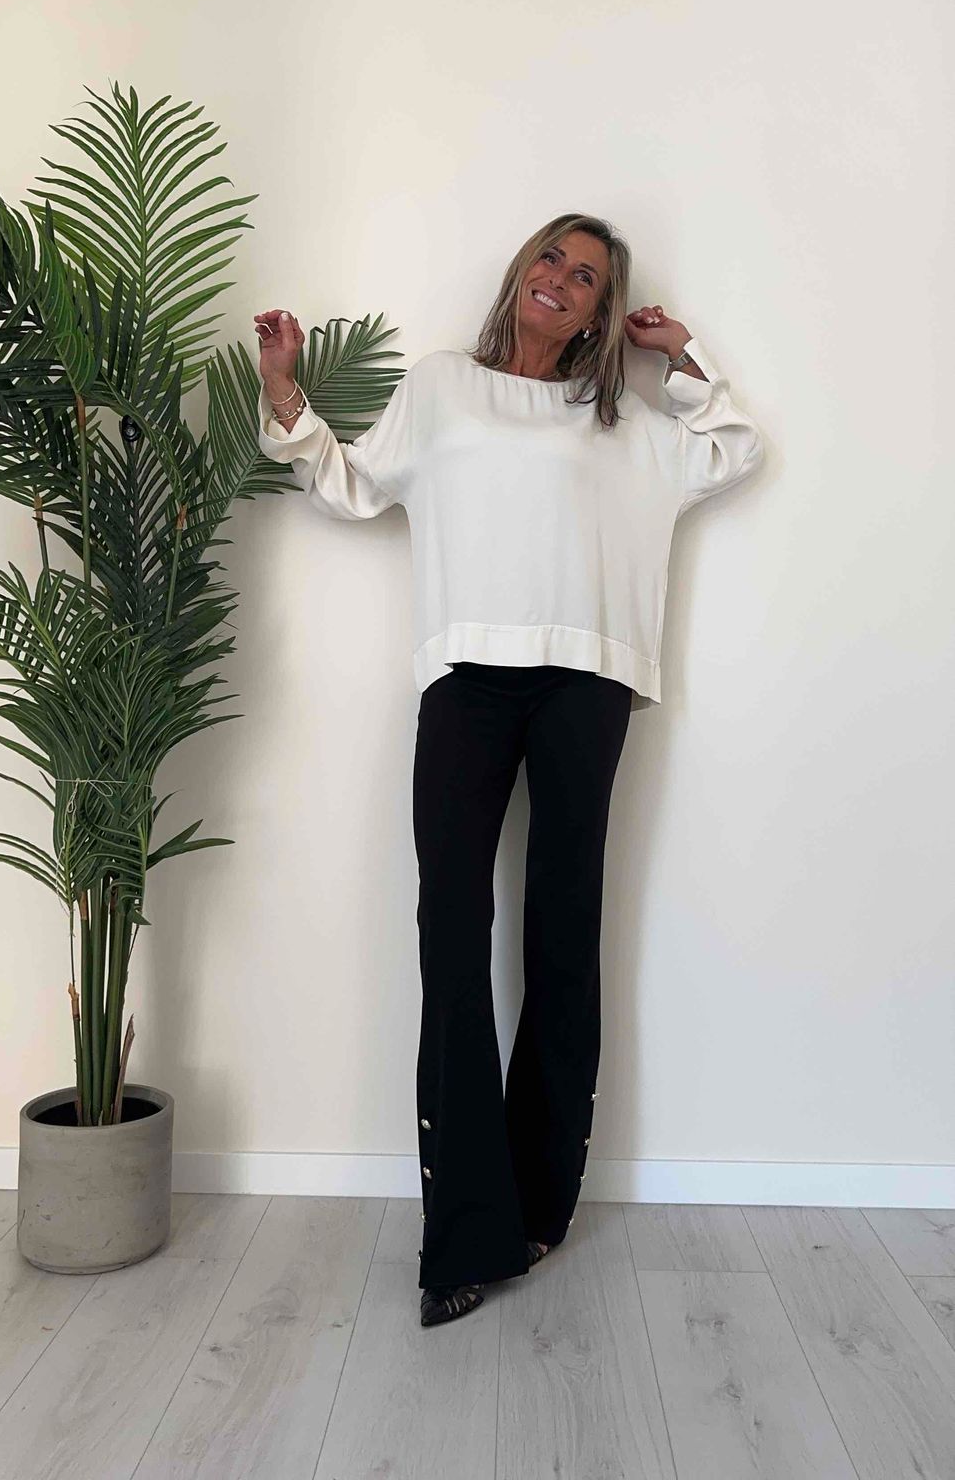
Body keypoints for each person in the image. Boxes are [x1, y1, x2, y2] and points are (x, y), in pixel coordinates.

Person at [254, 211, 764, 1330]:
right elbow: (349, 485)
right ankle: (464, 1230)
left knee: (561, 928)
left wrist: (679, 355)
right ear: (520, 271)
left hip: (585, 681)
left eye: (586, 277)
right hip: (468, 681)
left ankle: (540, 1201)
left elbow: (733, 449)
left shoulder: (618, 419)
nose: (560, 280)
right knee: (450, 926)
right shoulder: (443, 387)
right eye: (550, 259)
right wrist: (285, 391)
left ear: (598, 310)